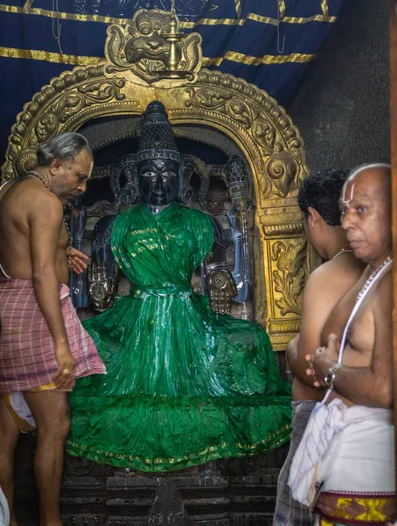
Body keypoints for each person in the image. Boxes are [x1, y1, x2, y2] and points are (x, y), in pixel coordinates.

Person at [66, 101, 292, 472]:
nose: (159, 181)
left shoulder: (201, 223)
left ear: (181, 176)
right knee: (81, 342)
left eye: (167, 172)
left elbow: (216, 272)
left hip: (188, 313)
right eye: (149, 174)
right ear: (136, 178)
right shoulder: (115, 225)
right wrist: (100, 285)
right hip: (134, 318)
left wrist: (220, 280)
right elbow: (100, 281)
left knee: (251, 338)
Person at [0, 133, 106, 526]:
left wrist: (62, 249)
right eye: (78, 177)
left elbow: (16, 248)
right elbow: (43, 276)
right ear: (55, 165)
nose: (81, 187)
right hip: (35, 314)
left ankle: (6, 519)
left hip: (8, 306)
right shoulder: (46, 203)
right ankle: (50, 522)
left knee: (7, 425)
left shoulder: (9, 189)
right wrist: (62, 344)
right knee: (55, 423)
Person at [288, 163, 396, 526]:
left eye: (360, 210)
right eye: (345, 210)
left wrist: (327, 368)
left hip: (369, 467)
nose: (346, 222)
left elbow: (383, 388)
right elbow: (325, 342)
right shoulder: (373, 272)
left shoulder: (390, 284)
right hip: (342, 465)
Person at [273, 169, 364, 526]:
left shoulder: (328, 275)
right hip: (359, 417)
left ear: (312, 217)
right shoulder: (376, 270)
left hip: (318, 413)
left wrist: (295, 346)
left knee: (298, 505)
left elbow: (310, 369)